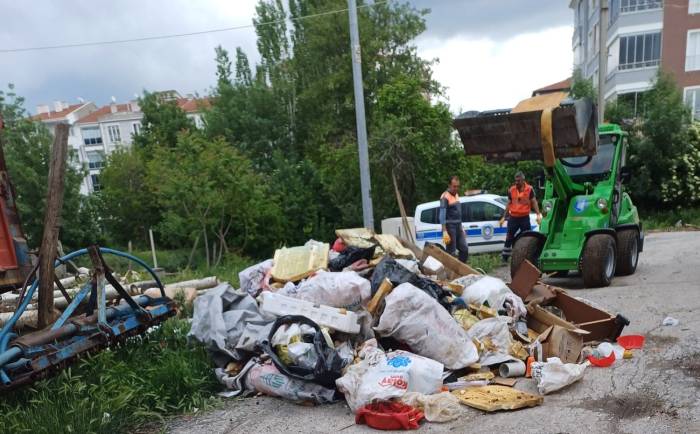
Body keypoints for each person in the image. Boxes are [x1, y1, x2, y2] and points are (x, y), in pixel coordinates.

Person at [500, 171, 542, 262]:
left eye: (518, 181)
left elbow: (534, 202)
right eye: (515, 181)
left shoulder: (529, 189)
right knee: (509, 236)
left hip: (524, 218)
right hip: (513, 217)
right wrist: (504, 216)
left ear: (523, 180)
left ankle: (528, 257)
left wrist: (538, 214)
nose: (516, 182)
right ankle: (505, 257)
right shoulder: (511, 190)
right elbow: (508, 203)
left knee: (527, 236)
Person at [440, 176, 468, 262]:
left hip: (458, 226)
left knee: (464, 249)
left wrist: (462, 228)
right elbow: (442, 215)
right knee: (451, 252)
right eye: (454, 186)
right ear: (449, 185)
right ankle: (450, 272)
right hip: (450, 227)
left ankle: (462, 269)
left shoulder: (456, 195)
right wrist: (444, 231)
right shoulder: (445, 197)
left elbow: (458, 214)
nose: (456, 188)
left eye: (457, 186)